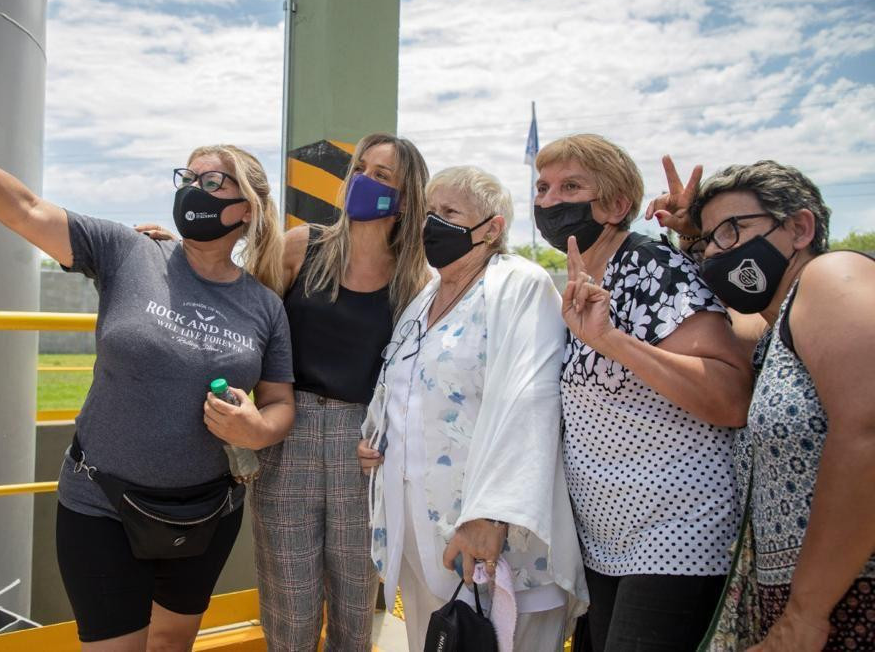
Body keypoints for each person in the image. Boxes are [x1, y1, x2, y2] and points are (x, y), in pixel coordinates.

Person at [0, 49, 295, 652]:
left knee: (171, 646)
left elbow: (279, 404)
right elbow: (25, 208)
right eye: (187, 178)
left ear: (248, 207)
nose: (193, 190)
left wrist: (255, 430)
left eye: (211, 181)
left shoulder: (264, 306)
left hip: (206, 516)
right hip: (100, 505)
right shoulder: (127, 251)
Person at [137, 133, 431, 650]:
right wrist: (179, 254)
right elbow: (239, 307)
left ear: (406, 197)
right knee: (289, 606)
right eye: (359, 168)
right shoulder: (304, 245)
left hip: (362, 448)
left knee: (354, 608)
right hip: (288, 434)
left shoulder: (416, 280)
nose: (362, 180)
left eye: (381, 175)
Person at [533, 134, 755, 651]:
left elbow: (730, 395)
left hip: (676, 532)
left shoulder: (654, 266)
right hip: (609, 539)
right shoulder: (581, 278)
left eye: (570, 186)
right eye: (542, 187)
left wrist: (613, 341)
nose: (548, 201)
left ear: (616, 205)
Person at [359, 166, 588, 651]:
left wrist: (492, 514)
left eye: (450, 213)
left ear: (491, 229)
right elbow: (404, 386)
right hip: (423, 533)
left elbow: (529, 399)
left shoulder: (519, 285)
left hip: (492, 539)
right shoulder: (424, 298)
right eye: (430, 212)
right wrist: (378, 438)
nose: (432, 224)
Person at [662, 160, 874, 651]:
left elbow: (867, 429)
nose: (717, 251)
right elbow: (720, 331)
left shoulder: (830, 278)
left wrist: (806, 613)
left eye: (732, 230)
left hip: (842, 602)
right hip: (806, 606)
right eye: (710, 240)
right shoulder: (773, 329)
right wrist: (689, 241)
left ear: (800, 228)